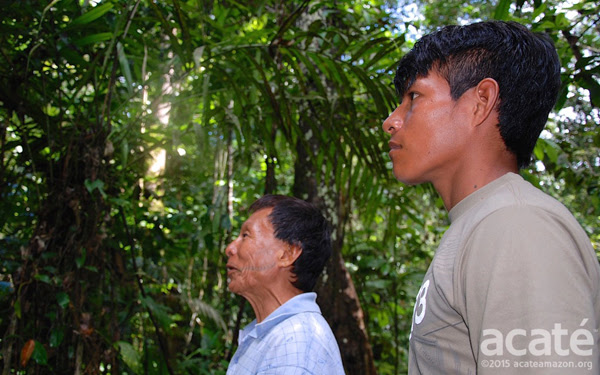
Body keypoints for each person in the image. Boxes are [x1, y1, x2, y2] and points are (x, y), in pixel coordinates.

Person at [382, 21, 600, 374]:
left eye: (414, 98)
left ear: (480, 101)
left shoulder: (514, 225)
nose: (391, 121)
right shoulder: (483, 223)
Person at [225, 194, 345, 375]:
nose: (230, 248)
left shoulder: (296, 343)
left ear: (287, 254)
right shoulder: (278, 335)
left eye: (246, 235)